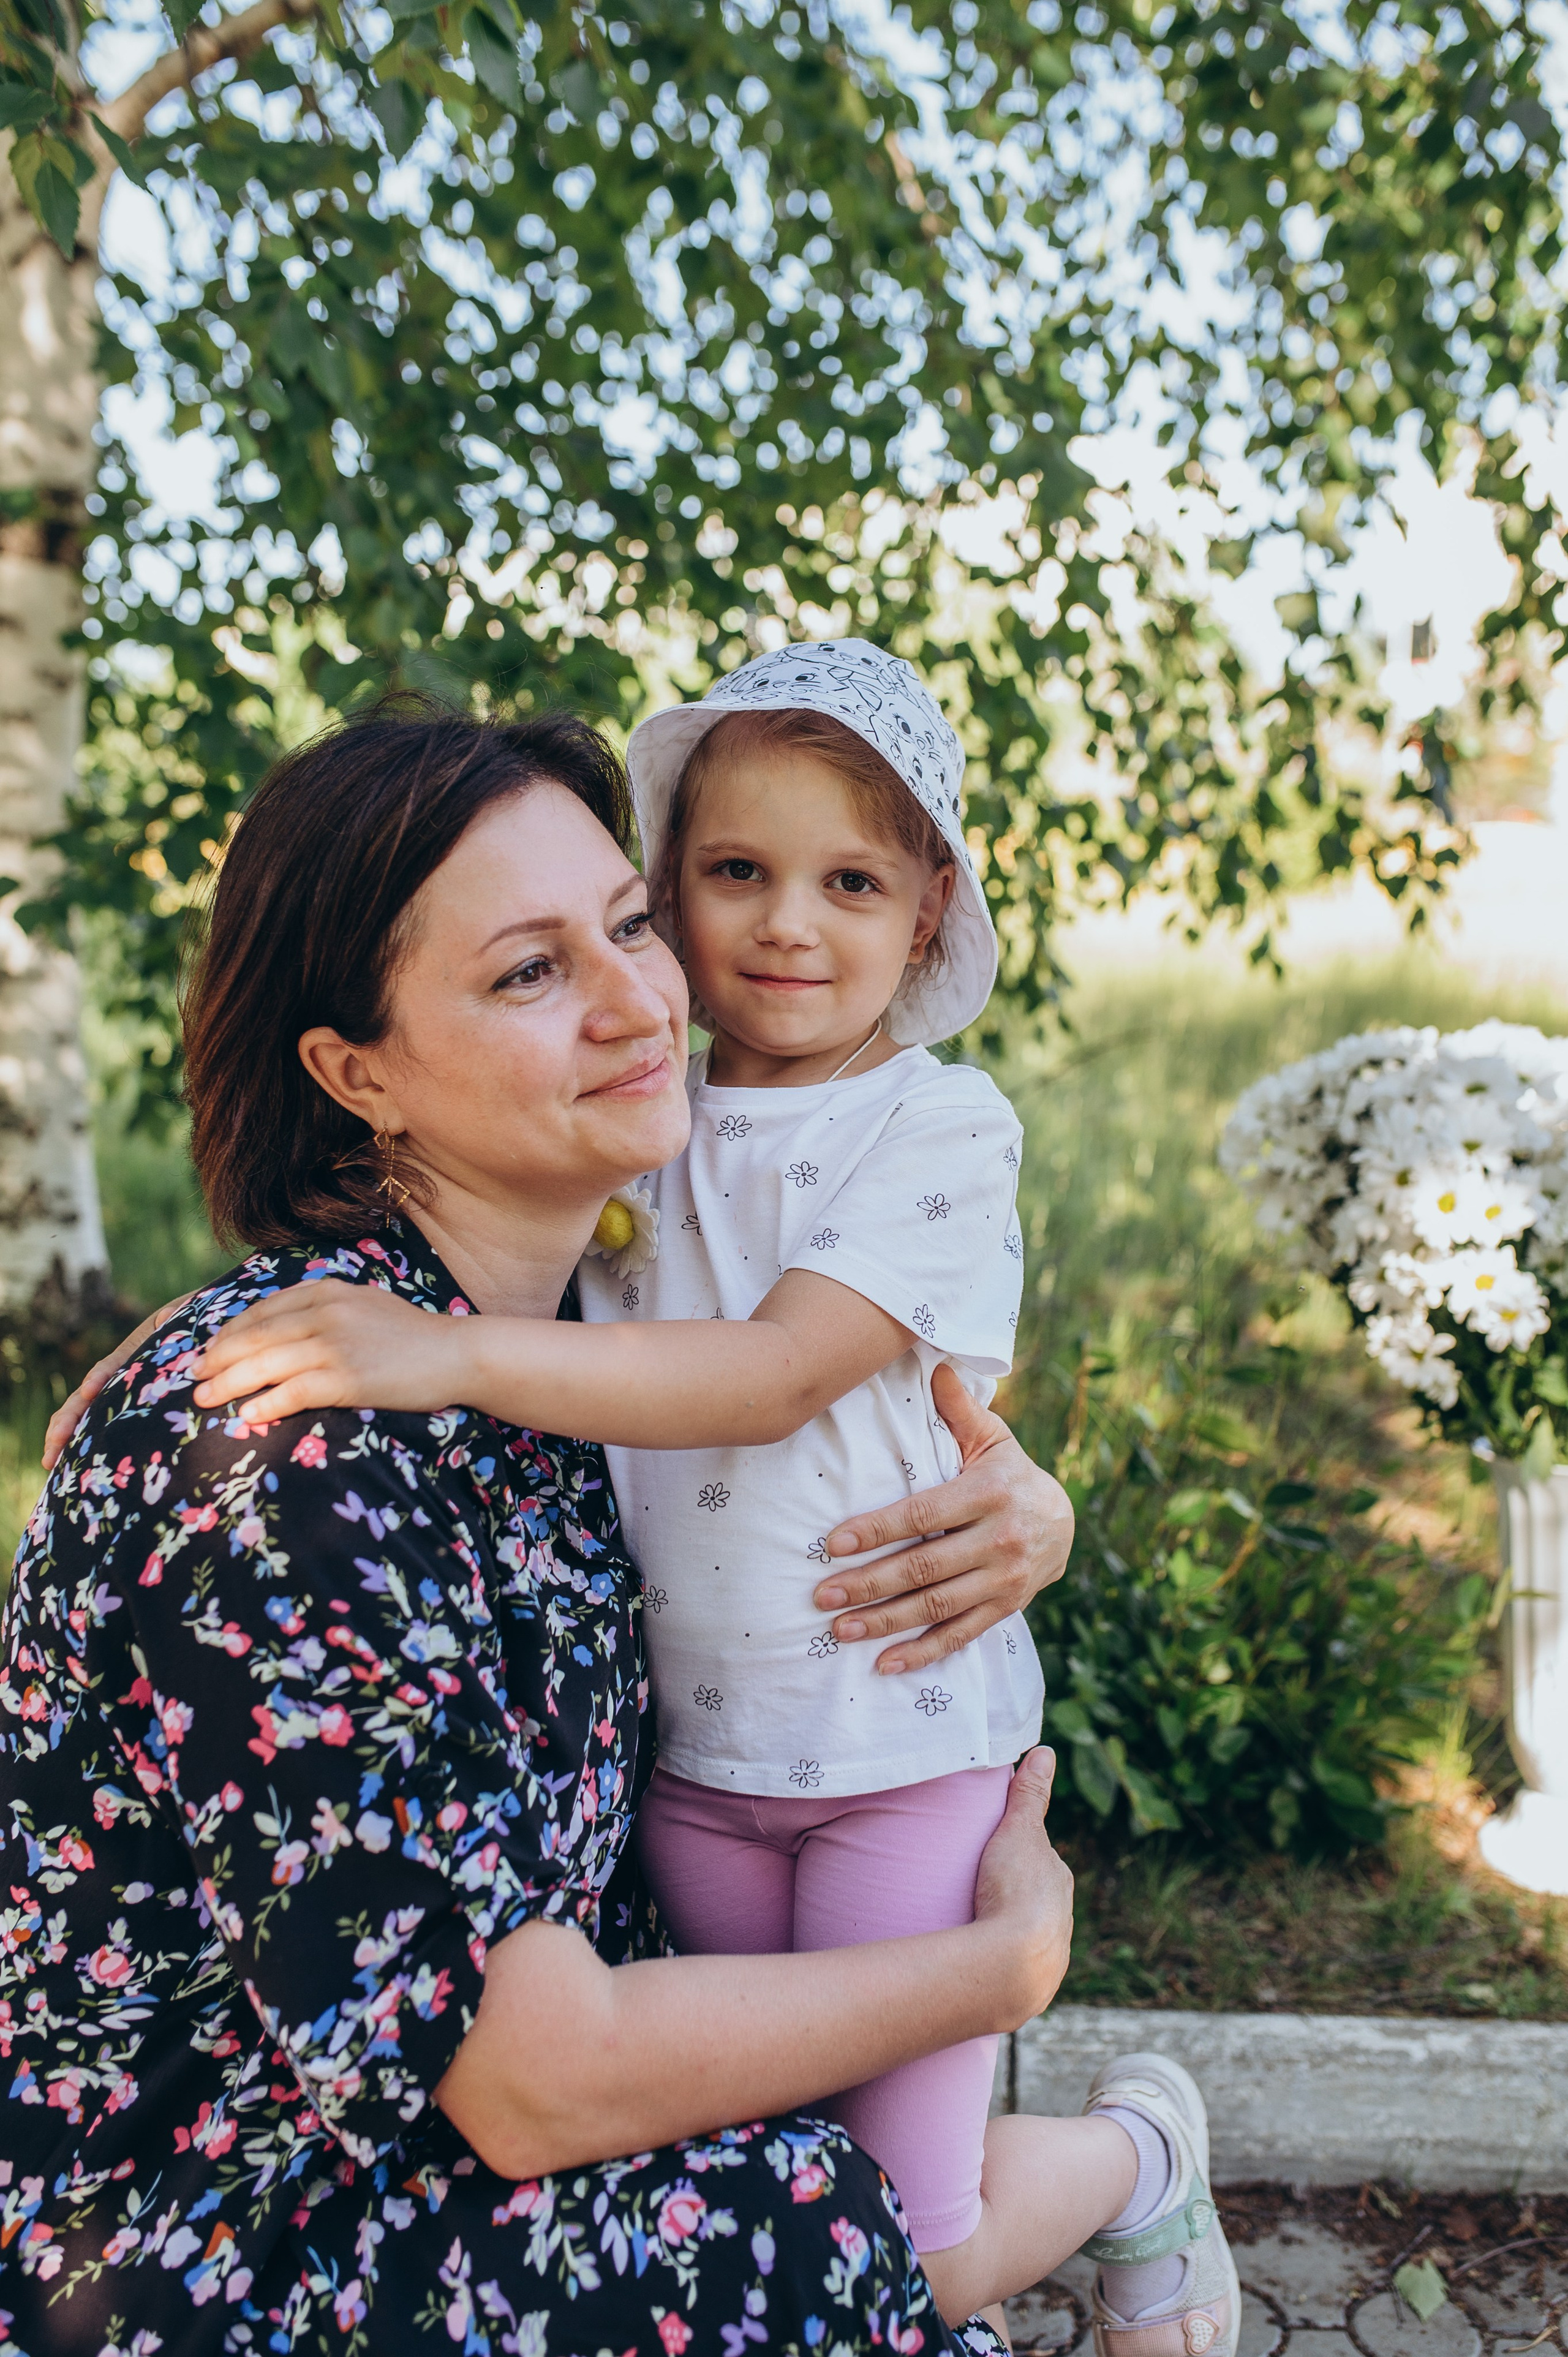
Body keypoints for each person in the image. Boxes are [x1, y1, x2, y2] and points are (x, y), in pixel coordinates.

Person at [0, 695, 1179, 2357]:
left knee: (837, 2228)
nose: (641, 1002)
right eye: (529, 972)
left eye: (627, 924)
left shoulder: (544, 1350)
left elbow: (778, 1401)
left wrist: (1026, 1499)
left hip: (442, 2150)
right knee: (813, 2240)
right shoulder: (281, 1456)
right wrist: (997, 1974)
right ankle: (1126, 2174)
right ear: (356, 1072)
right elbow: (533, 2079)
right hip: (223, 2235)